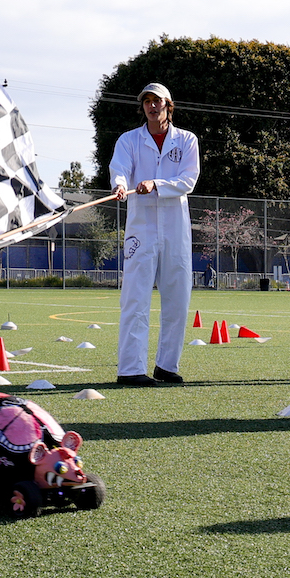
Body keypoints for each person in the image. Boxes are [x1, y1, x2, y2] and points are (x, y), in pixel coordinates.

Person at [110, 82, 201, 385]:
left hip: (176, 232)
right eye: (147, 101)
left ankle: (166, 366)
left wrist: (156, 184)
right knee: (135, 299)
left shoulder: (187, 140)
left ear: (168, 105)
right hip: (141, 231)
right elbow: (120, 168)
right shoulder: (128, 140)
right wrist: (120, 184)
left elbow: (188, 180)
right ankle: (131, 369)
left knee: (177, 300)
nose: (152, 106)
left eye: (157, 101)